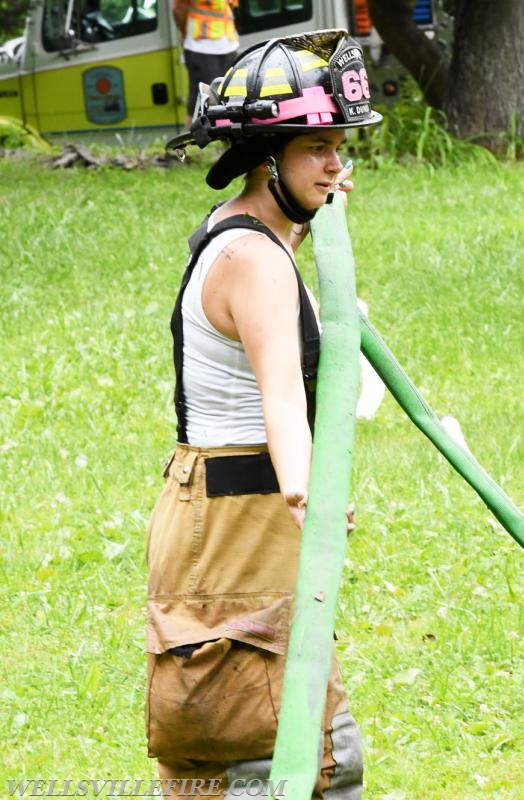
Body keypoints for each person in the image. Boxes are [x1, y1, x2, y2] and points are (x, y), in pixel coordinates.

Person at [146, 29, 382, 798]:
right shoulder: (252, 258)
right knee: (271, 749)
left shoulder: (264, 239)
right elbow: (281, 389)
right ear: (264, 156)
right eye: (316, 146)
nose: (334, 163)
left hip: (235, 508)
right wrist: (307, 491)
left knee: (295, 742)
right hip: (235, 514)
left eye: (339, 144)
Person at [172, 0, 239, 128]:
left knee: (230, 99)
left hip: (229, 43)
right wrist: (185, 32)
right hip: (201, 47)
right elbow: (177, 9)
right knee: (200, 102)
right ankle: (191, 142)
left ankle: (227, 140)